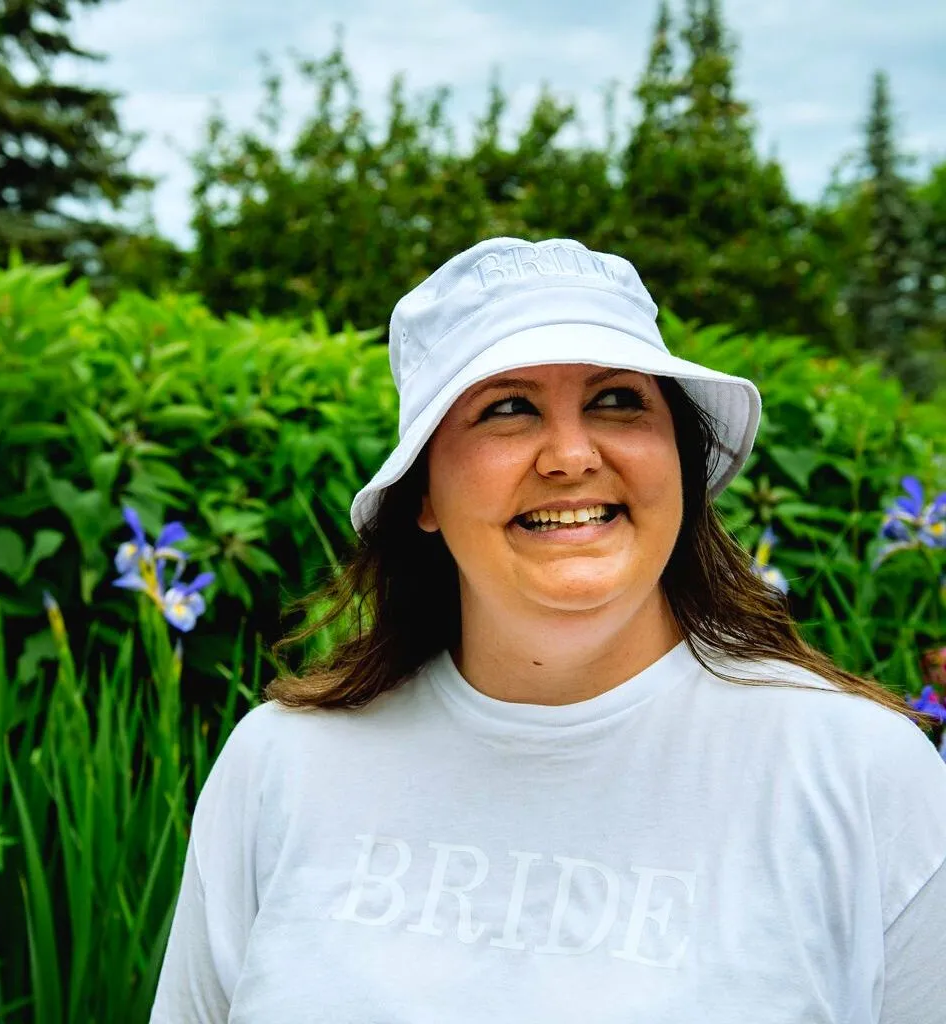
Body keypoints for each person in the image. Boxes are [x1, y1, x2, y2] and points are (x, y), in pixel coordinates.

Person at [150, 237, 946, 1023]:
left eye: (616, 400)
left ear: (680, 457)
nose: (570, 456)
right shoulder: (279, 765)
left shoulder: (864, 777)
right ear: (422, 491)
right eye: (507, 408)